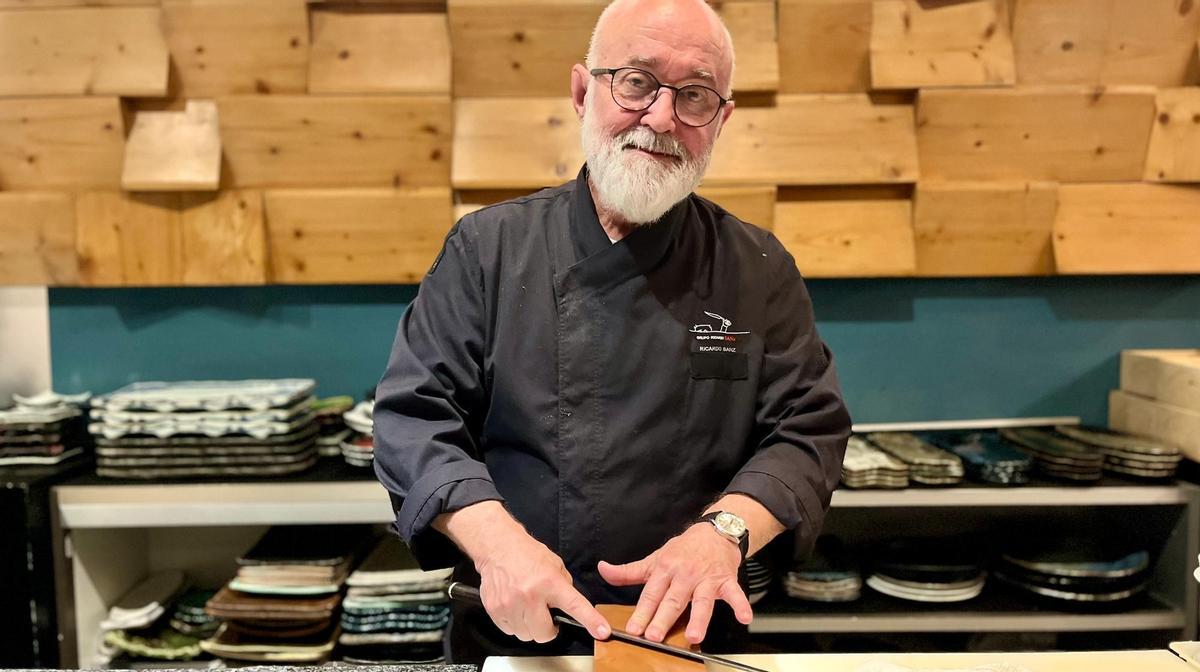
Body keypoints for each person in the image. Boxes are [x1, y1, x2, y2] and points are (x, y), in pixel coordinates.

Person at [373, 0, 851, 663]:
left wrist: (722, 533)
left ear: (722, 119)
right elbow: (413, 420)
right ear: (582, 91)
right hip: (517, 628)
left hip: (686, 634)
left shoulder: (758, 267)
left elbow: (807, 432)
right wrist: (497, 545)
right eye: (636, 82)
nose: (661, 117)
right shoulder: (488, 250)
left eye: (694, 95)